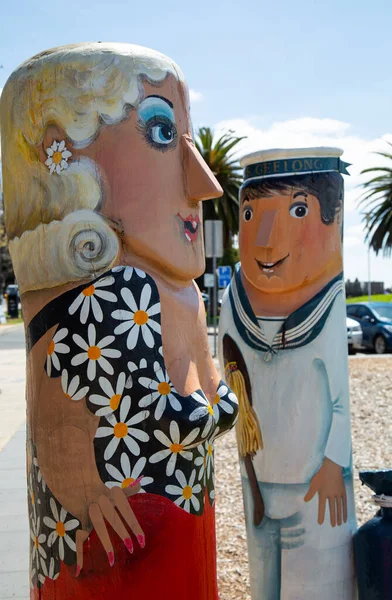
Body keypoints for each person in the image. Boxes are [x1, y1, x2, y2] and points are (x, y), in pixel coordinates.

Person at [0, 43, 238, 599]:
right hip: (119, 564)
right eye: (160, 134)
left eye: (187, 138)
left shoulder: (185, 296)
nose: (203, 182)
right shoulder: (112, 294)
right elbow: (61, 420)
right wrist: (85, 492)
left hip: (183, 544)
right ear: (59, 154)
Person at [219, 148, 357, 599]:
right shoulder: (232, 302)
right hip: (256, 480)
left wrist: (334, 463)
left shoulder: (329, 304)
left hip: (313, 485)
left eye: (298, 210)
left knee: (317, 580)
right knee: (266, 583)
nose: (265, 237)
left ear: (331, 222)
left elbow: (337, 396)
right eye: (250, 212)